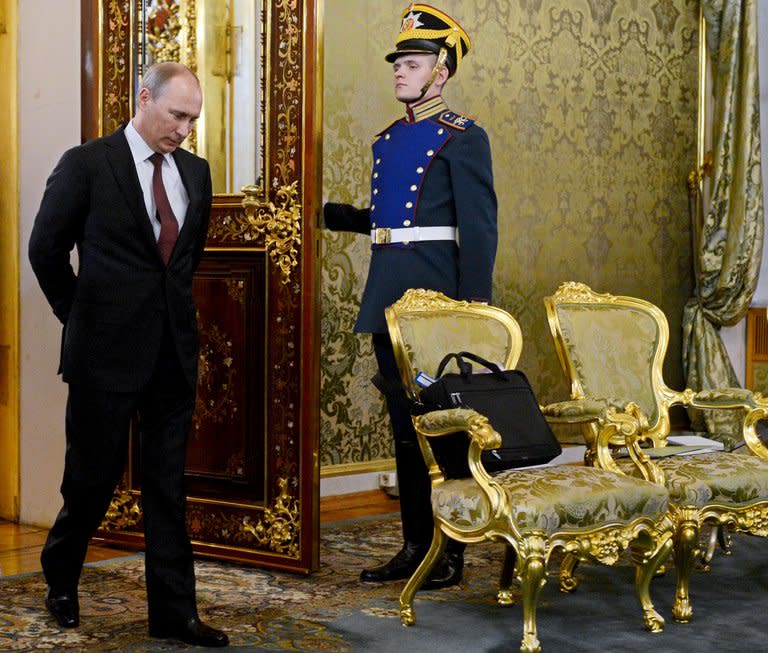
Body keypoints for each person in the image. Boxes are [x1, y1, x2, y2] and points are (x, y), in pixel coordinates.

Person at [28, 62, 228, 648]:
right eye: (176, 115)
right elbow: (45, 249)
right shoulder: (88, 164)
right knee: (91, 480)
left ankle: (175, 614)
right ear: (145, 98)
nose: (184, 129)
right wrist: (80, 318)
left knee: (167, 486)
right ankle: (61, 575)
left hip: (172, 355)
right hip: (104, 357)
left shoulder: (195, 171)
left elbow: (185, 260)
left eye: (193, 118)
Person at [324, 4, 498, 589]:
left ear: (441, 72)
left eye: (413, 61)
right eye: (398, 60)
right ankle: (414, 545)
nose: (400, 70)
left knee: (443, 427)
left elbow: (478, 228)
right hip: (388, 296)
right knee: (404, 426)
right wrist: (338, 216)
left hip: (438, 304)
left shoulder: (463, 139)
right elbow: (395, 219)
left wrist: (473, 313)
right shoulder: (388, 139)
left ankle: (450, 552)